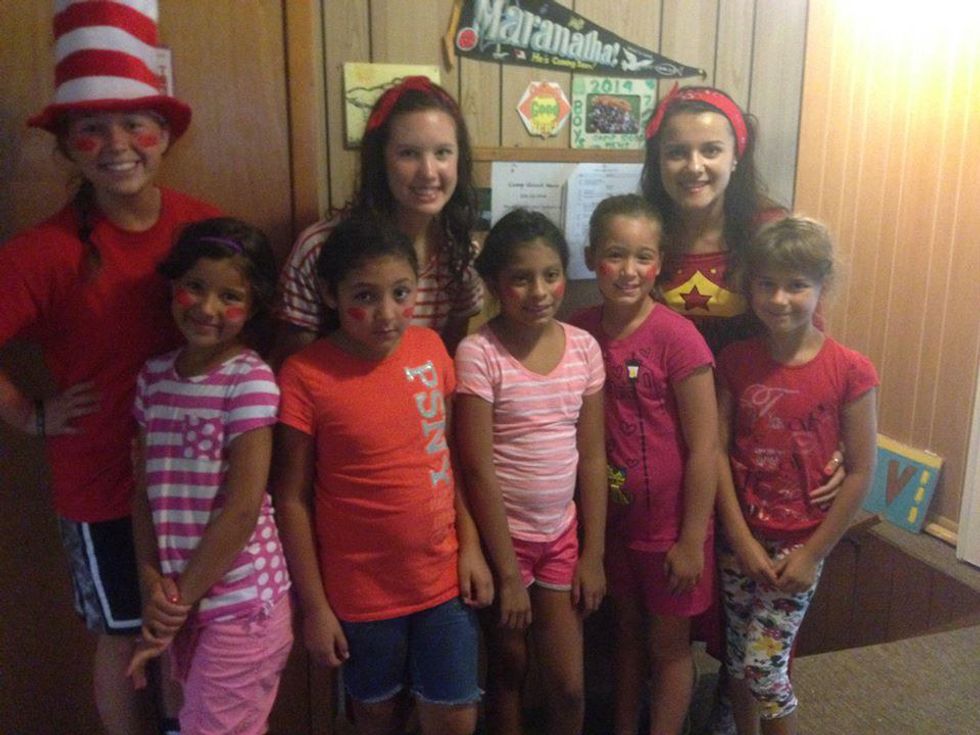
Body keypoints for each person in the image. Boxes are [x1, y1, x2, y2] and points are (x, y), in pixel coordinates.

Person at [0, 3, 220, 732]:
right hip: (102, 488)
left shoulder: (203, 228)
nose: (117, 145)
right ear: (68, 146)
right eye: (92, 128)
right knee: (125, 637)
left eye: (135, 123)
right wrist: (26, 412)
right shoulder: (42, 252)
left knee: (191, 632)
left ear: (165, 135)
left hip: (195, 483)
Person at [642, 86, 843, 734]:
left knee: (761, 599)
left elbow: (813, 347)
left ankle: (739, 705)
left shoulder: (765, 230)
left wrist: (835, 441)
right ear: (657, 160)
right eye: (677, 152)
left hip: (758, 443)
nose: (693, 165)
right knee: (688, 589)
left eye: (710, 149)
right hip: (669, 441)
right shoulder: (645, 231)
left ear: (736, 155)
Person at [272, 216, 492, 735]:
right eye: (365, 297)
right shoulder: (305, 375)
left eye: (401, 293)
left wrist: (472, 547)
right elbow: (292, 498)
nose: (387, 314)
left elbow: (449, 457)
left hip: (443, 581)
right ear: (330, 294)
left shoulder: (431, 350)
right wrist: (315, 608)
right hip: (360, 594)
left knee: (456, 716)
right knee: (375, 715)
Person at [125, 218, 293, 734]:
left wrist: (177, 603)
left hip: (240, 606)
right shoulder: (153, 378)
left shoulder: (250, 380)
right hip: (184, 598)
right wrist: (152, 582)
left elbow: (242, 509)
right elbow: (143, 494)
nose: (206, 307)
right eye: (195, 286)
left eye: (230, 296)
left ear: (254, 305)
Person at [715, 217, 878, 735]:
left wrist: (812, 554)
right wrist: (741, 541)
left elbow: (861, 470)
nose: (779, 299)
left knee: (764, 670)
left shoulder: (850, 369)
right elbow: (716, 452)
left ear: (822, 286)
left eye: (796, 285)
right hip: (740, 542)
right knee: (737, 661)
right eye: (767, 284)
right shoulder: (734, 361)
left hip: (800, 545)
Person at [454, 209, 608, 735]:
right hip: (505, 541)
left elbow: (593, 457)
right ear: (495, 283)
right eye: (521, 278)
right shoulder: (479, 353)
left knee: (568, 687)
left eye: (550, 275)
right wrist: (505, 574)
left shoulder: (584, 348)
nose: (539, 291)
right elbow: (477, 468)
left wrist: (593, 555)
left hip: (561, 536)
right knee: (508, 670)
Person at [570, 194, 718, 735]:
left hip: (670, 531)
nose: (628, 270)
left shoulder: (678, 337)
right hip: (612, 526)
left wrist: (691, 538)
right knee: (625, 638)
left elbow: (705, 447)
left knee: (669, 648)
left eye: (643, 257)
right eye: (615, 255)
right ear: (591, 257)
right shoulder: (578, 332)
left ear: (660, 264)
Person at [275, 76, 483, 362]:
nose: (428, 172)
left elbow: (446, 364)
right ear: (380, 160)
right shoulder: (319, 246)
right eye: (408, 153)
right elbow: (297, 367)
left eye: (442, 153)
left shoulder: (460, 252)